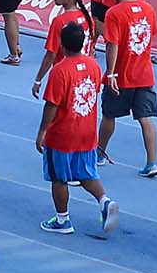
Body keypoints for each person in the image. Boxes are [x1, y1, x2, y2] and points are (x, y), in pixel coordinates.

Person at [37, 20, 115, 238]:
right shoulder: (93, 65)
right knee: (85, 172)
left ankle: (62, 220)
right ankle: (104, 201)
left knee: (59, 177)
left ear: (62, 44)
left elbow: (52, 104)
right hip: (87, 132)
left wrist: (42, 131)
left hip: (63, 135)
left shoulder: (59, 71)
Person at [93, 0, 157, 176]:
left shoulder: (114, 12)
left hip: (122, 74)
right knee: (146, 118)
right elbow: (151, 34)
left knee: (109, 115)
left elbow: (112, 44)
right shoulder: (148, 9)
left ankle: (100, 153)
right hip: (144, 74)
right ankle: (152, 163)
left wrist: (111, 74)